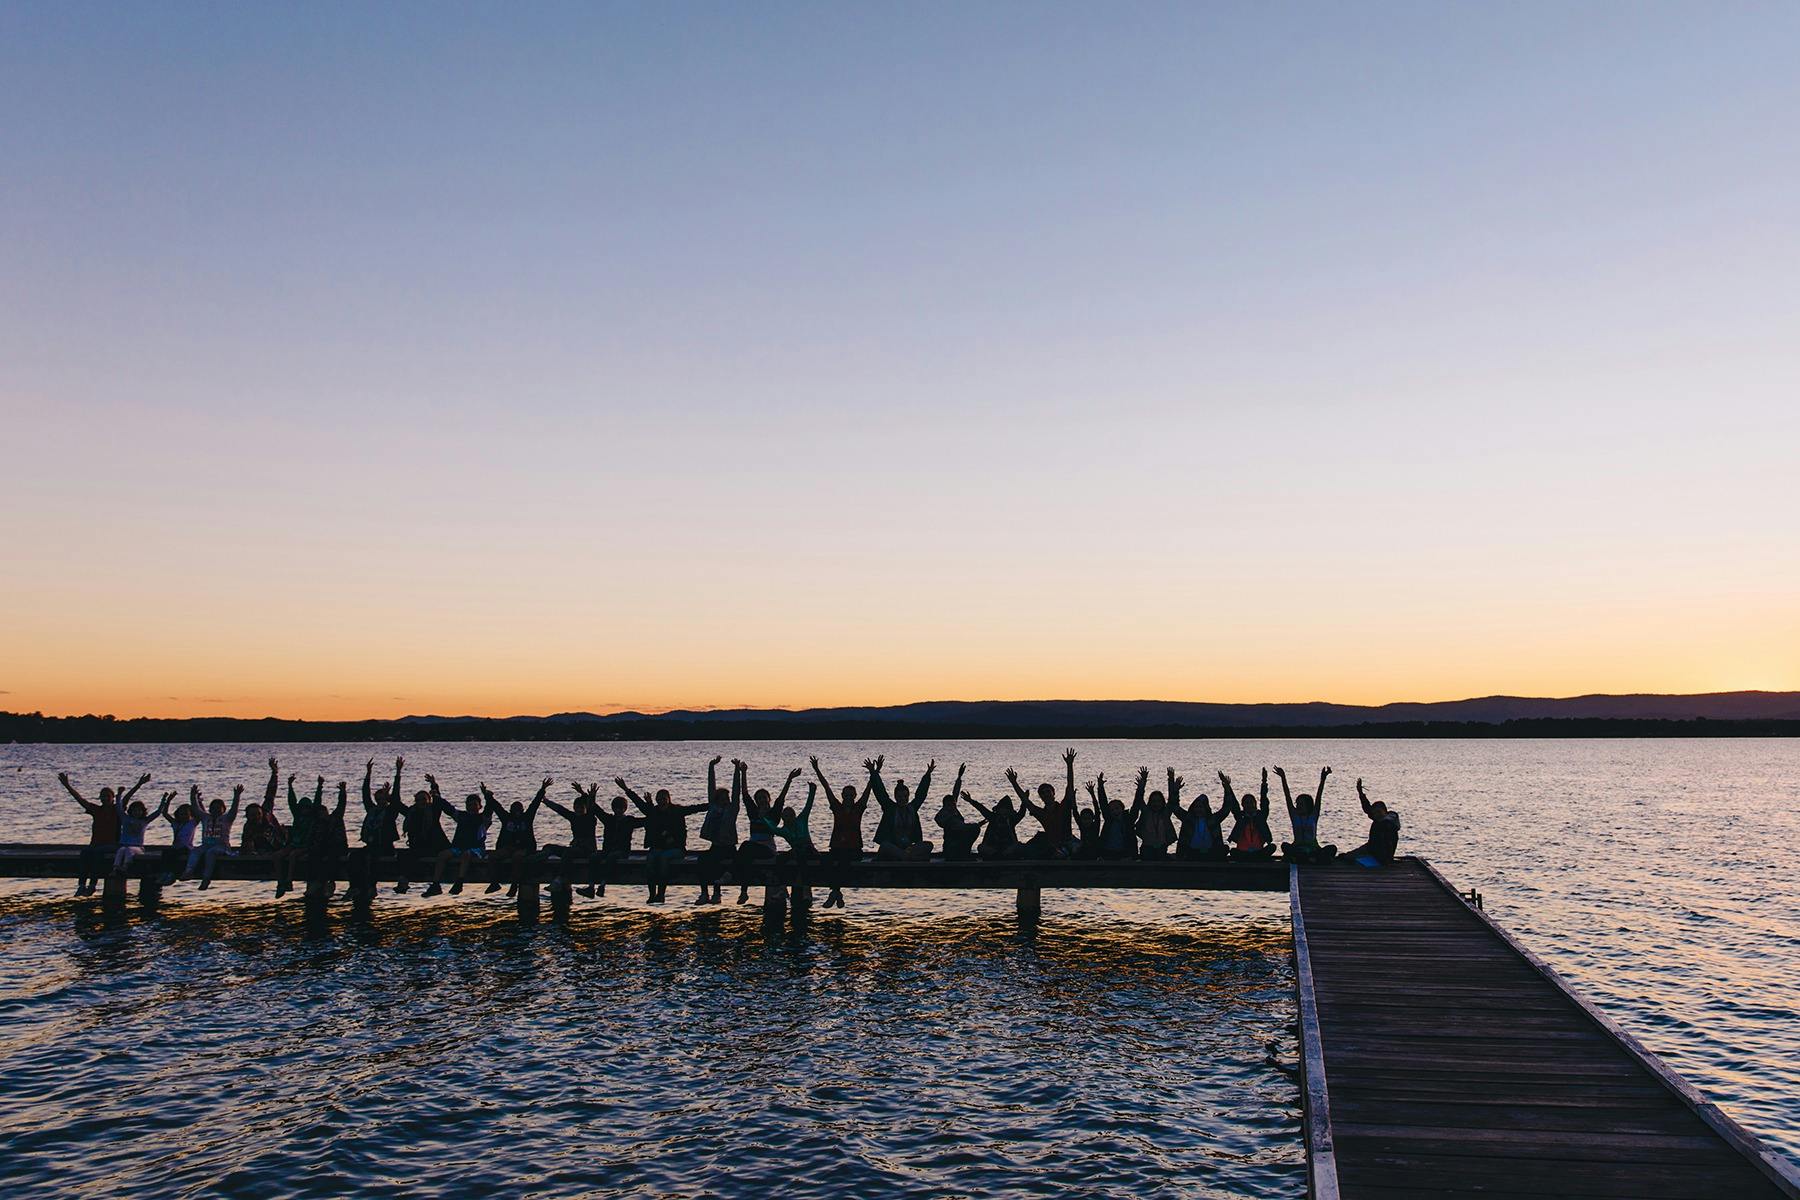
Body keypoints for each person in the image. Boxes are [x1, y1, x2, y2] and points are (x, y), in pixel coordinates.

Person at [59, 771, 145, 895]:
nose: (105, 798)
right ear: (100, 798)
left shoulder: (117, 810)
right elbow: (80, 799)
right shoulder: (96, 810)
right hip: (95, 844)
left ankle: (93, 885)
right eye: (102, 796)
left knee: (97, 855)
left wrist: (139, 784)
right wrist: (67, 785)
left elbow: (126, 798)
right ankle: (82, 885)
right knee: (85, 854)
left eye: (107, 796)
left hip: (112, 845)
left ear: (112, 798)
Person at [623, 778, 707, 904]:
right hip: (657, 848)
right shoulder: (653, 812)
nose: (661, 801)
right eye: (659, 799)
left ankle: (661, 894)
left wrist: (712, 804)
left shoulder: (677, 811)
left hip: (676, 849)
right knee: (651, 860)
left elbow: (695, 808)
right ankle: (652, 895)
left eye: (664, 799)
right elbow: (639, 803)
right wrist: (626, 790)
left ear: (669, 799)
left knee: (662, 858)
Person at [811, 754, 873, 908]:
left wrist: (874, 772)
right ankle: (836, 893)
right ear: (842, 796)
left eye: (851, 795)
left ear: (854, 797)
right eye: (846, 795)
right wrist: (817, 769)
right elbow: (826, 788)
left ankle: (835, 893)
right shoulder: (837, 808)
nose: (848, 798)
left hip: (854, 850)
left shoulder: (858, 809)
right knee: (825, 860)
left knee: (843, 861)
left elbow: (868, 790)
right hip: (837, 848)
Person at [732, 762, 798, 903]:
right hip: (753, 849)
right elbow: (745, 794)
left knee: (745, 847)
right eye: (759, 798)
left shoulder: (773, 814)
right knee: (745, 857)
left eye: (764, 797)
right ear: (756, 801)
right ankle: (743, 892)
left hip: (768, 850)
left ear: (768, 799)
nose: (762, 800)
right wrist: (743, 772)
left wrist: (789, 779)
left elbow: (781, 798)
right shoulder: (753, 813)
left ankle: (733, 878)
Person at [422, 777, 499, 897]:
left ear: (480, 806)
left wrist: (487, 796)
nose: (471, 807)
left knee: (466, 855)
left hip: (476, 849)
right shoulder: (461, 816)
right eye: (469, 805)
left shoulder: (483, 819)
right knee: (442, 855)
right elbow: (445, 806)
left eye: (474, 805)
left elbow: (490, 809)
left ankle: (459, 881)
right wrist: (434, 787)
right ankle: (435, 884)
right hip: (458, 848)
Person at [347, 758, 404, 899]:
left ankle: (371, 886)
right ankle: (354, 886)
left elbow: (396, 795)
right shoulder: (371, 810)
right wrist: (368, 773)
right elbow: (365, 794)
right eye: (378, 799)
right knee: (354, 856)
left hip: (385, 847)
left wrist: (398, 772)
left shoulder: (391, 812)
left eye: (383, 799)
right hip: (371, 845)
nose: (380, 802)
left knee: (372, 858)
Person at [1010, 748, 1079, 858]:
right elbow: (1026, 801)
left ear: (1053, 793)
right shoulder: (1041, 813)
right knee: (1021, 849)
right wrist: (1014, 783)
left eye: (1048, 792)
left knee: (1074, 850)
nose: (1046, 794)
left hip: (1067, 843)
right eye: (1042, 793)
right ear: (1041, 797)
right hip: (1052, 845)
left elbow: (1070, 786)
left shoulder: (1063, 806)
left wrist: (1069, 765)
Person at [485, 778, 548, 897]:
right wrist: (487, 796)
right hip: (508, 847)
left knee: (517, 857)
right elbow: (496, 807)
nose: (517, 812)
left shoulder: (527, 818)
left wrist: (542, 790)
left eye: (519, 810)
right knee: (493, 856)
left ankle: (514, 885)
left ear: (522, 810)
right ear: (511, 811)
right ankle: (494, 882)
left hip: (525, 848)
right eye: (514, 810)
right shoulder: (506, 818)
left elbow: (534, 804)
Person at [540, 782, 605, 896]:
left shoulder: (590, 819)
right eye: (576, 808)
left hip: (587, 850)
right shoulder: (573, 817)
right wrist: (545, 801)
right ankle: (539, 864)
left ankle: (560, 879)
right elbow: (560, 809)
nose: (579, 810)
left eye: (581, 808)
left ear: (585, 808)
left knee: (569, 852)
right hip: (575, 849)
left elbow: (592, 807)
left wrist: (586, 794)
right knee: (548, 847)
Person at [868, 757, 933, 861]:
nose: (902, 799)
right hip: (893, 847)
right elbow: (880, 792)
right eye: (899, 797)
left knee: (929, 845)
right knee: (885, 846)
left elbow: (921, 794)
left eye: (905, 796)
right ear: (895, 797)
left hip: (908, 848)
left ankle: (906, 856)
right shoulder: (890, 808)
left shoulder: (912, 808)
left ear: (908, 796)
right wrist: (874, 772)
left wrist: (928, 774)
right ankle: (907, 857)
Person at [694, 756, 739, 905]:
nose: (726, 799)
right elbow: (710, 787)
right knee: (702, 860)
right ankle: (704, 893)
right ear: (717, 799)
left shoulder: (732, 810)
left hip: (729, 848)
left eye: (727, 797)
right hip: (716, 846)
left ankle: (717, 894)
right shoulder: (713, 807)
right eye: (723, 797)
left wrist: (737, 770)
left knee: (721, 863)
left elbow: (736, 792)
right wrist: (711, 767)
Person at [1276, 765, 1338, 864]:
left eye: (1301, 804)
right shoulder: (1294, 816)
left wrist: (1323, 779)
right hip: (1298, 849)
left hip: (1313, 850)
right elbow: (1287, 796)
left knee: (1332, 848)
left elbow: (1319, 796)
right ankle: (1309, 860)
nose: (1299, 806)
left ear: (1308, 806)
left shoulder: (1313, 815)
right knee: (1285, 846)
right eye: (1297, 804)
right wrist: (1283, 777)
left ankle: (1306, 859)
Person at [273, 774, 324, 897]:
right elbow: (291, 801)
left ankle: (289, 880)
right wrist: (290, 786)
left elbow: (317, 801)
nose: (304, 810)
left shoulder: (313, 817)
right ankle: (280, 881)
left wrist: (319, 786)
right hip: (294, 844)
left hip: (306, 845)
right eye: (302, 807)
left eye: (307, 807)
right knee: (277, 855)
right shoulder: (297, 815)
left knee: (293, 855)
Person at [395, 781, 447, 893]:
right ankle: (403, 883)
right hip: (418, 848)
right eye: (418, 800)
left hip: (435, 847)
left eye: (424, 799)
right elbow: (396, 803)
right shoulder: (411, 812)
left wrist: (434, 785)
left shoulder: (433, 811)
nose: (421, 802)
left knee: (411, 856)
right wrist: (398, 775)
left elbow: (439, 802)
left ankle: (405, 882)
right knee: (402, 855)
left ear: (429, 800)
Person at [190, 784, 243, 889]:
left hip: (222, 846)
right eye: (213, 808)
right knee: (195, 851)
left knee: (211, 853)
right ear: (209, 810)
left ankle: (206, 878)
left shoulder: (227, 819)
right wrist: (193, 796)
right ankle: (189, 871)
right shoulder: (205, 817)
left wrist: (237, 796)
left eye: (219, 808)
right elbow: (195, 808)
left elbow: (234, 809)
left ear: (224, 809)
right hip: (206, 845)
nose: (216, 810)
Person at [594, 794, 645, 897]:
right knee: (593, 857)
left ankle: (602, 884)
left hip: (622, 852)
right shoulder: (608, 819)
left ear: (625, 809)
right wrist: (590, 796)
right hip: (607, 850)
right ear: (613, 808)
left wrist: (648, 803)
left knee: (611, 857)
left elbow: (647, 820)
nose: (618, 810)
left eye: (621, 808)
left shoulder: (629, 821)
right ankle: (591, 886)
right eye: (616, 808)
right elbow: (596, 810)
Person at [1221, 770, 1276, 861]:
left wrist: (1264, 782)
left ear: (1255, 804)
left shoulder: (1260, 816)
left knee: (1272, 847)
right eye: (1246, 803)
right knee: (1233, 851)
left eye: (1251, 802)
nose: (1249, 805)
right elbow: (1234, 803)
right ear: (1243, 805)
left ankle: (1257, 857)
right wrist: (1227, 787)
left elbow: (1264, 801)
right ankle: (1254, 858)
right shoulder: (1240, 817)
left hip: (1258, 851)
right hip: (1243, 852)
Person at [1171, 778, 1229, 862]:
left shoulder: (1213, 819)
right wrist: (1176, 791)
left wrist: (1227, 789)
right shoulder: (1189, 819)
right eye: (1196, 807)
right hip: (1192, 853)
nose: (1198, 809)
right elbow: (1175, 807)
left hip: (1210, 853)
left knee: (1224, 849)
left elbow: (1226, 808)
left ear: (1206, 808)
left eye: (1201, 807)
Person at [1347, 778, 1401, 867]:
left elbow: (1387, 842)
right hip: (1372, 849)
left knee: (1353, 859)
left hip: (1381, 855)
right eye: (1375, 813)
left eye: (1379, 812)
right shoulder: (1379, 819)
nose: (1376, 815)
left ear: (1385, 811)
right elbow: (1367, 809)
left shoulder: (1389, 821)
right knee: (1347, 857)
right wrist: (1360, 793)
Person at [965, 786, 1027, 861]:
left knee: (1019, 846)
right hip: (993, 849)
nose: (1004, 811)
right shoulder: (993, 817)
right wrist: (971, 801)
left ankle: (1002, 856)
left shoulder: (1011, 820)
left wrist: (1024, 800)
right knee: (981, 847)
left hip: (1007, 850)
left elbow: (1021, 813)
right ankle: (997, 856)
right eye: (1002, 809)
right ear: (998, 810)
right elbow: (981, 808)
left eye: (1006, 809)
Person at [935, 778, 985, 863]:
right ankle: (960, 855)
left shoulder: (954, 810)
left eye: (953, 804)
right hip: (951, 847)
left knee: (975, 828)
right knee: (974, 828)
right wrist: (976, 825)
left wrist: (959, 777)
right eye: (949, 805)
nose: (952, 806)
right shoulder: (943, 814)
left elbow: (955, 793)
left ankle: (964, 853)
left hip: (960, 842)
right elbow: (957, 825)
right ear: (945, 805)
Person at [157, 791, 201, 885]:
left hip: (187, 848)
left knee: (174, 854)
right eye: (181, 814)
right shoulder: (176, 824)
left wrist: (196, 799)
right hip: (176, 847)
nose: (183, 816)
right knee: (166, 853)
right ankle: (165, 873)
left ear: (190, 815)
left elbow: (199, 814)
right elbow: (165, 813)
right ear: (178, 815)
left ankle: (172, 875)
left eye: (186, 814)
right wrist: (168, 800)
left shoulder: (192, 823)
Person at [111, 790, 158, 876]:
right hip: (124, 845)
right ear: (131, 811)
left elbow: (157, 813)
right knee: (121, 850)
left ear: (142, 811)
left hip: (138, 848)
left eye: (139, 811)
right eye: (134, 810)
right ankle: (115, 868)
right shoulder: (126, 819)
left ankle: (125, 867)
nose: (136, 812)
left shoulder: (144, 821)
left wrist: (164, 801)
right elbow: (119, 808)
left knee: (129, 850)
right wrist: (119, 795)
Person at [1096, 772, 1140, 860]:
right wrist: (1100, 787)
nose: (1115, 811)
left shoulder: (1129, 820)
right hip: (1108, 852)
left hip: (1125, 852)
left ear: (1122, 809)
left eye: (1117, 808)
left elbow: (1136, 804)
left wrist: (1140, 787)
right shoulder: (1109, 819)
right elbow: (1103, 803)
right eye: (1112, 810)